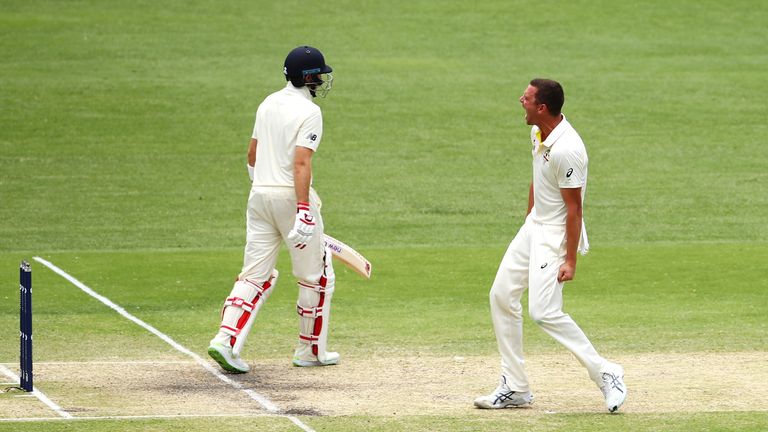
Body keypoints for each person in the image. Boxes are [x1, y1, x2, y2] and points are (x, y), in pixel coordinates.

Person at [474, 79, 627, 412]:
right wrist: (529, 219)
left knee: (543, 311)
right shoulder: (538, 133)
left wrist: (570, 260)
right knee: (500, 295)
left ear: (541, 107)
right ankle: (515, 386)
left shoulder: (568, 149)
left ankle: (606, 373)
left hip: (555, 233)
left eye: (526, 98)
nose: (520, 100)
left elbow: (574, 210)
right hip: (534, 228)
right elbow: (537, 176)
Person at [208, 45, 339, 373]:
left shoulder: (267, 102)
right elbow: (301, 162)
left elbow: (252, 155)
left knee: (254, 275)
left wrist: (263, 183)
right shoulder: (310, 113)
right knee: (315, 275)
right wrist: (304, 209)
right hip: (290, 200)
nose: (322, 80)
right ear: (308, 78)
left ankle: (225, 340)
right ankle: (310, 351)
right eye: (319, 75)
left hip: (259, 197)